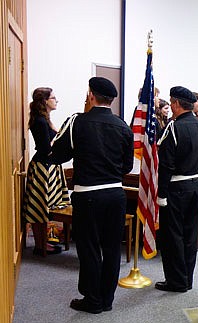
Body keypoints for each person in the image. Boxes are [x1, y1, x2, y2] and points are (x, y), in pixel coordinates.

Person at [48, 77, 133, 313]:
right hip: (116, 194)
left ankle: (93, 300)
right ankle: (106, 299)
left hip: (88, 195)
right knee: (112, 248)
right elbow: (126, 166)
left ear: (91, 95)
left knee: (89, 248)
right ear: (112, 100)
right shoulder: (123, 126)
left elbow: (57, 155)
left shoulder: (77, 122)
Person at [155, 86, 198, 293]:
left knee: (173, 237)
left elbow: (166, 163)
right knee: (190, 235)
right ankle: (187, 279)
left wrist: (161, 193)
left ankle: (176, 281)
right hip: (194, 185)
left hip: (175, 187)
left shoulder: (173, 127)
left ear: (176, 104)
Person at [22, 87, 70, 255]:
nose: (56, 101)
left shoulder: (44, 118)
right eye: (53, 98)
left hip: (48, 166)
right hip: (43, 167)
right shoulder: (40, 121)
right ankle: (40, 246)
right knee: (39, 206)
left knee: (45, 206)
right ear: (44, 101)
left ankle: (43, 243)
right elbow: (45, 148)